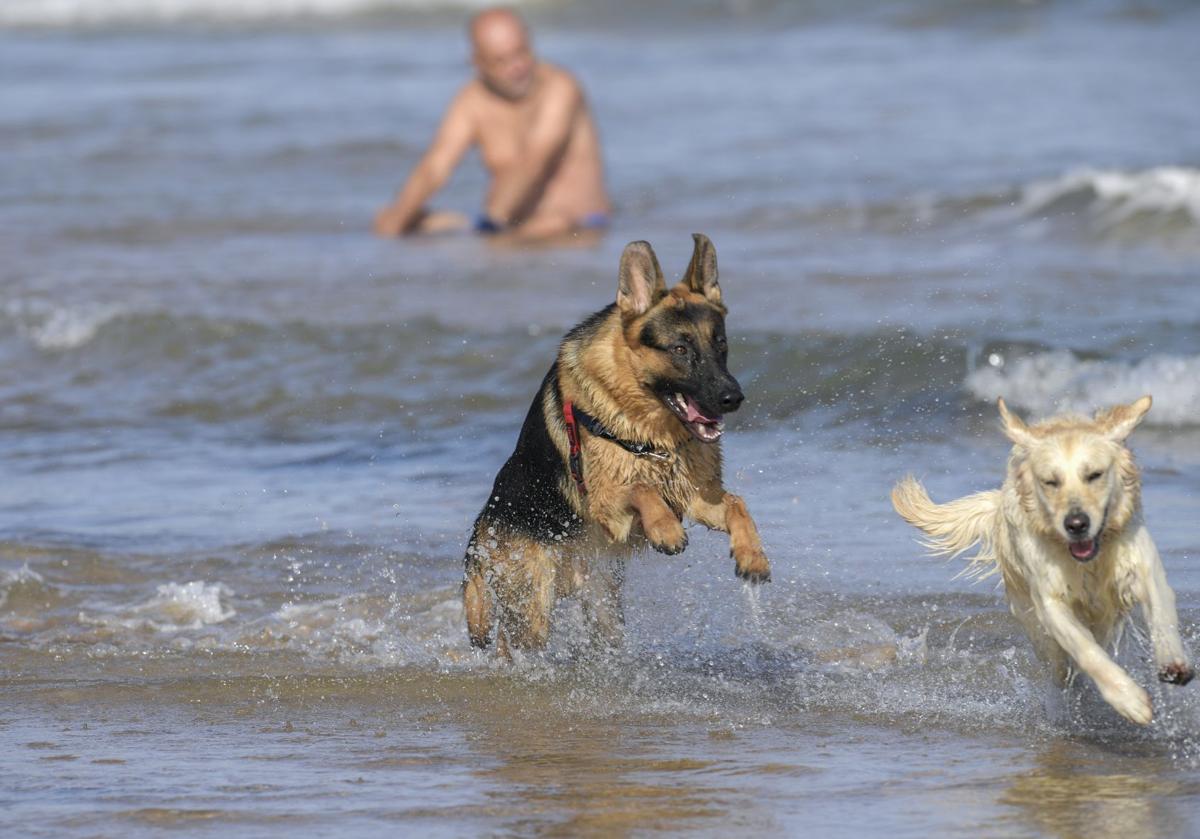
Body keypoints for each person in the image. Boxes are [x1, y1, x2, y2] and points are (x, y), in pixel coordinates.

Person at [373, 8, 611, 241]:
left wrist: (488, 227)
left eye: (521, 52)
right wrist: (394, 223)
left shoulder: (561, 87)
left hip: (579, 227)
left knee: (551, 224)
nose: (517, 67)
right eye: (502, 61)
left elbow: (533, 161)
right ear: (477, 62)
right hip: (506, 225)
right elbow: (435, 167)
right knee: (400, 218)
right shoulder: (471, 101)